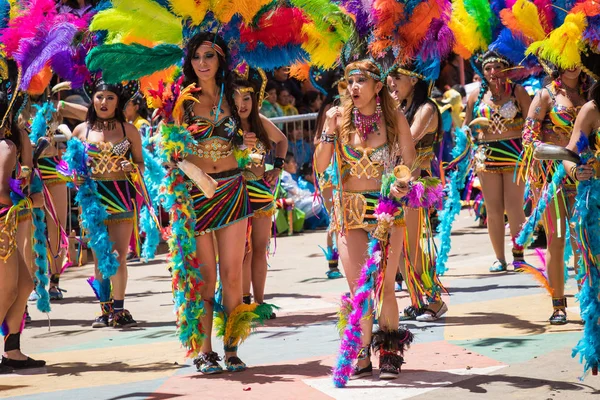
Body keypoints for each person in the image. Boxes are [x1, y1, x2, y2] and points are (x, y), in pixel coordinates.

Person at [316, 60, 416, 380]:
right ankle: (361, 349)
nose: (354, 87)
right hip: (349, 212)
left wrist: (402, 182)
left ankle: (388, 351)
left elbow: (409, 163)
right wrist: (328, 133)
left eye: (361, 81)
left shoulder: (393, 118)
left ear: (377, 86)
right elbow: (320, 166)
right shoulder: (339, 119)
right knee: (358, 286)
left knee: (385, 286)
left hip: (386, 210)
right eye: (350, 81)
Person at [177, 33, 270, 374]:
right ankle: (204, 351)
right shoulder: (183, 100)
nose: (202, 63)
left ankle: (231, 349)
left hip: (232, 189)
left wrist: (246, 147)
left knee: (233, 275)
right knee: (205, 277)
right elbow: (168, 151)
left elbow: (255, 137)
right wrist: (193, 173)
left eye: (209, 57)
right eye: (196, 57)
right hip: (198, 196)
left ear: (220, 62)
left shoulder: (233, 98)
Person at [70, 79, 145, 328]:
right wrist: (76, 176)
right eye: (100, 96)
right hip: (93, 199)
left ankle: (120, 309)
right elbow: (70, 167)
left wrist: (132, 168)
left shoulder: (129, 131)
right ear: (92, 98)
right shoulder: (81, 131)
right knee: (101, 255)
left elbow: (141, 165)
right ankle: (104, 310)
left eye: (110, 97)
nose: (104, 102)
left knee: (119, 255)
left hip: (120, 195)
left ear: (118, 101)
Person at [521, 67, 588, 324]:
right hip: (553, 179)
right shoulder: (545, 95)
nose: (572, 65)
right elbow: (529, 138)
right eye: (566, 59)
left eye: (576, 59)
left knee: (585, 240)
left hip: (586, 177)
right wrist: (558, 155)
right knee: (557, 240)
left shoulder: (590, 92)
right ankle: (558, 304)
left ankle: (589, 301)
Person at [387, 63, 447, 321]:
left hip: (415, 184)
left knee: (410, 247)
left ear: (413, 80)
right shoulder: (404, 108)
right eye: (390, 79)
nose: (392, 84)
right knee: (398, 248)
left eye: (397, 78)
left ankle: (434, 300)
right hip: (398, 184)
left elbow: (404, 143)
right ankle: (416, 299)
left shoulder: (427, 109)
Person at [464, 50, 531, 272]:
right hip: (487, 155)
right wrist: (471, 134)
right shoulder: (475, 96)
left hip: (514, 152)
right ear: (482, 72)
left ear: (506, 69)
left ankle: (519, 255)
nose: (493, 72)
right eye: (488, 68)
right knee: (493, 209)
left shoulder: (518, 91)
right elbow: (466, 126)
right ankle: (499, 258)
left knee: (514, 207)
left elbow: (532, 123)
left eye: (497, 67)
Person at [0, 72, 46, 373]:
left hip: (5, 224)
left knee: (25, 283)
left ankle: (13, 350)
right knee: (6, 290)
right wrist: (28, 201)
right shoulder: (6, 146)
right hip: (1, 224)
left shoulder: (11, 143)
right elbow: (1, 191)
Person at [233, 74, 288, 312]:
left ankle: (259, 301)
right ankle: (243, 301)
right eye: (236, 98)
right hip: (236, 193)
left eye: (247, 98)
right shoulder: (226, 126)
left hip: (261, 193)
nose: (242, 104)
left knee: (259, 249)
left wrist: (277, 167)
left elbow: (283, 141)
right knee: (242, 250)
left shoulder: (261, 122)